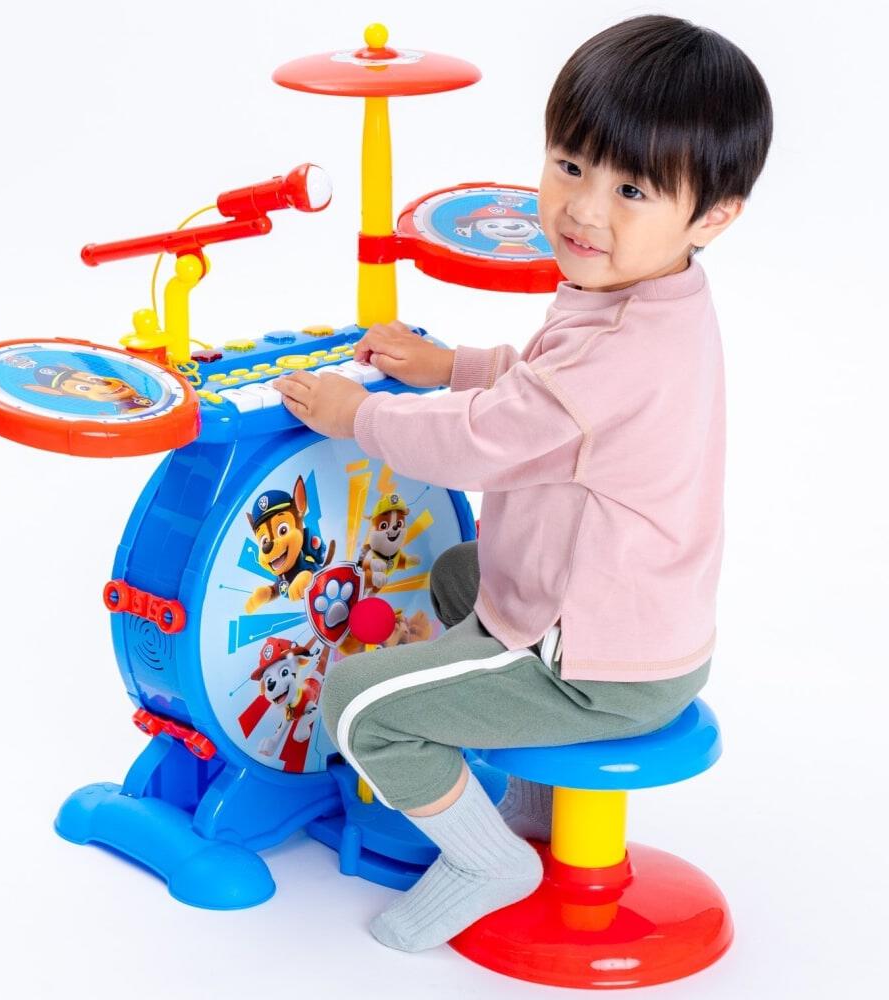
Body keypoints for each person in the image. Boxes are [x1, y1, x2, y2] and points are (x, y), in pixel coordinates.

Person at [273, 13, 772, 953]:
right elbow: (551, 394)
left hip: (594, 669)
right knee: (461, 572)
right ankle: (537, 810)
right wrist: (452, 364)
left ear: (713, 216)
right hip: (636, 625)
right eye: (571, 166)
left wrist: (356, 416)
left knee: (359, 704)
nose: (585, 210)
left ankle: (486, 862)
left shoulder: (622, 344)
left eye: (631, 189)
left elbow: (483, 443)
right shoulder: (649, 297)